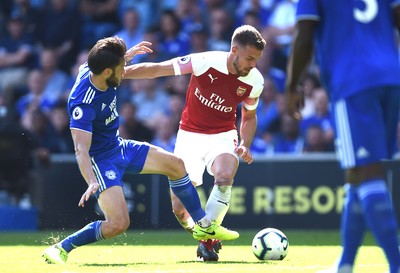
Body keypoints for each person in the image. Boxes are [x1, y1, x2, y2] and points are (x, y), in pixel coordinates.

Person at [41, 37, 239, 265]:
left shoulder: (94, 68)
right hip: (101, 161)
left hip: (118, 146)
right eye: (121, 68)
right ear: (107, 72)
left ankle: (204, 227)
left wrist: (126, 55)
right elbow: (80, 150)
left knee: (176, 165)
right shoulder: (83, 104)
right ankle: (61, 248)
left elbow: (102, 62)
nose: (125, 71)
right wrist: (91, 181)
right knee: (118, 224)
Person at [124, 25, 266, 261]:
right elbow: (158, 69)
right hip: (189, 136)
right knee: (179, 210)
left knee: (224, 177)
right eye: (250, 58)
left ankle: (206, 242)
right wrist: (121, 73)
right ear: (234, 50)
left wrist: (245, 143)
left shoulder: (255, 81)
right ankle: (205, 236)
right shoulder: (205, 61)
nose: (253, 64)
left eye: (257, 60)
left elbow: (249, 116)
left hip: (223, 135)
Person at [285, 1, 400, 273]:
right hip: (391, 79)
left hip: (353, 81)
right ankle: (346, 263)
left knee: (367, 173)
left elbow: (304, 34)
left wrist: (292, 85)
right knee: (358, 174)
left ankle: (396, 264)